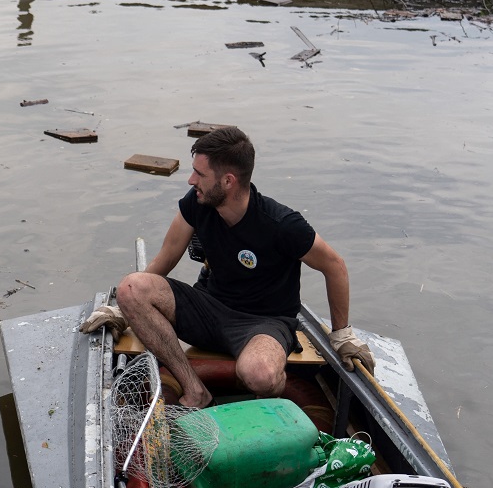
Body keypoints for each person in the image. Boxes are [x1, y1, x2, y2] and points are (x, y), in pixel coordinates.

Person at [80, 126, 374, 408]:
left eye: (199, 173)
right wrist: (124, 309)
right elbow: (166, 259)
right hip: (208, 309)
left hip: (264, 323)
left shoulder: (282, 224)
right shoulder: (197, 204)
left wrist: (341, 334)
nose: (191, 181)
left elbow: (335, 266)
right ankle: (195, 389)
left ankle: (273, 407)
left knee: (260, 374)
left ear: (228, 181)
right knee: (131, 287)